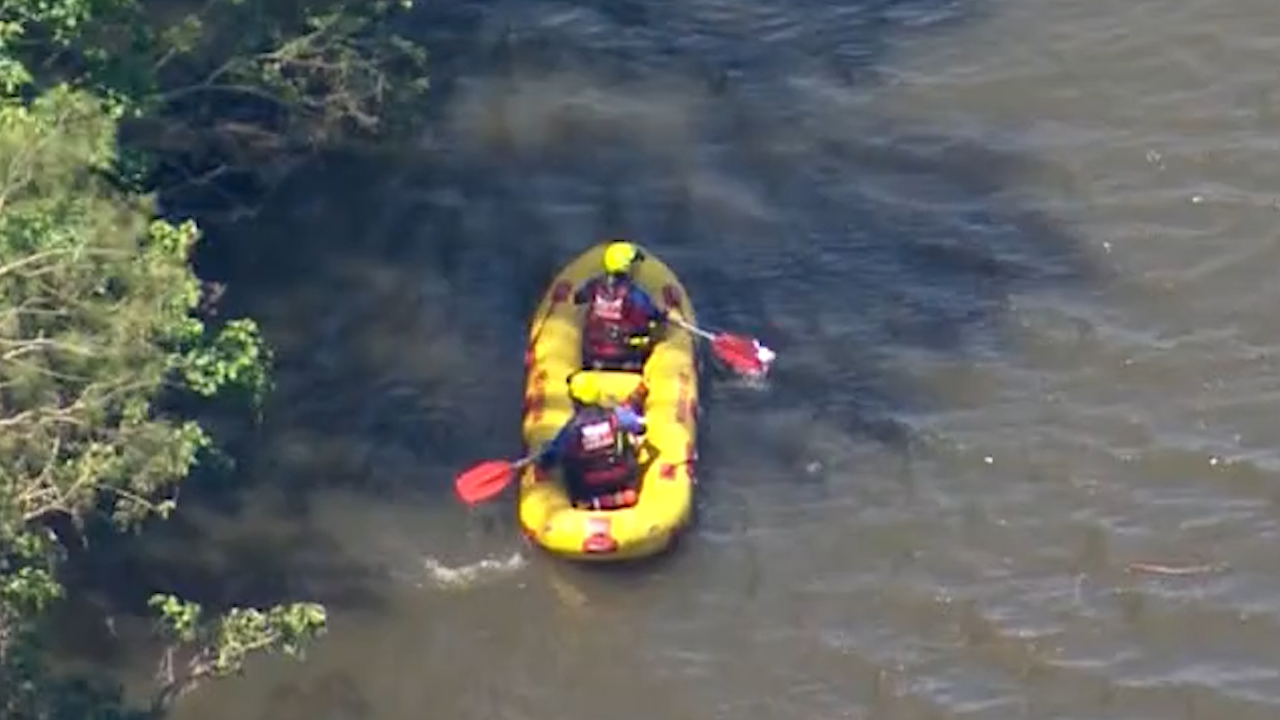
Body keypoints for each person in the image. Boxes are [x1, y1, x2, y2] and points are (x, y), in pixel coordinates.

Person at [537, 371, 649, 509]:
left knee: (567, 462)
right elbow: (639, 426)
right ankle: (623, 495)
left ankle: (591, 502)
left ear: (575, 400)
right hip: (621, 476)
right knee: (626, 444)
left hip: (590, 483)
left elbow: (553, 454)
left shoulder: (572, 429)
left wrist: (543, 460)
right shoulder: (615, 415)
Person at [573, 240, 669, 372]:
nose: (637, 268)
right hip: (626, 357)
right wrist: (664, 315)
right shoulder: (633, 293)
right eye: (634, 264)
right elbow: (654, 314)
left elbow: (578, 298)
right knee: (653, 333)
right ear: (627, 267)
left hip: (594, 356)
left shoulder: (594, 286)